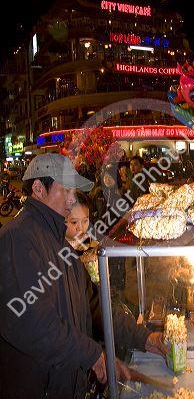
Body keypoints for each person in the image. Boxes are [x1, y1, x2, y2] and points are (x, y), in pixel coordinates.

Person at [0, 153, 165, 399]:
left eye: (73, 192)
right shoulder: (17, 238)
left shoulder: (61, 244)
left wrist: (143, 337)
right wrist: (91, 354)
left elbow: (95, 305)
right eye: (65, 191)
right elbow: (33, 322)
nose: (71, 200)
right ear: (38, 188)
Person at [65, 191, 167, 361]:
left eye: (86, 220)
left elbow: (99, 301)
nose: (81, 228)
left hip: (101, 315)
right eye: (74, 222)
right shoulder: (61, 258)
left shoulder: (92, 245)